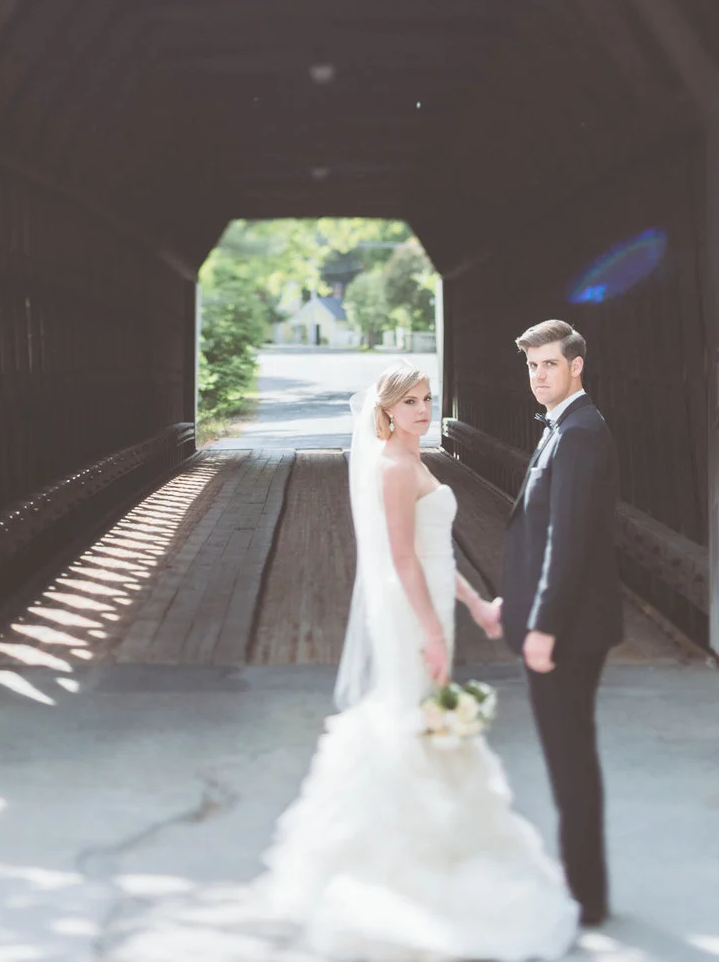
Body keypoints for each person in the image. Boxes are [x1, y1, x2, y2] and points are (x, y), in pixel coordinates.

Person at [259, 364, 579, 961]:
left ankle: (434, 841)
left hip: (434, 602)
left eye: (428, 399)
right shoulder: (392, 468)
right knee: (409, 717)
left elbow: (436, 553)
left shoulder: (418, 461)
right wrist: (431, 630)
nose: (423, 409)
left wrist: (478, 606)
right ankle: (394, 863)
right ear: (385, 411)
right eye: (410, 402)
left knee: (424, 720)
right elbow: (402, 558)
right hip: (413, 613)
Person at [485, 319, 621, 927]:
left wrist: (541, 626)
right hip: (556, 622)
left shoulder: (581, 434)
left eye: (549, 365)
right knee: (568, 758)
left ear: (576, 366)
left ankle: (585, 899)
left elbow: (567, 543)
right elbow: (542, 536)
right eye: (532, 366)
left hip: (567, 632)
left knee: (570, 761)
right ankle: (582, 890)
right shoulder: (562, 427)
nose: (539, 376)